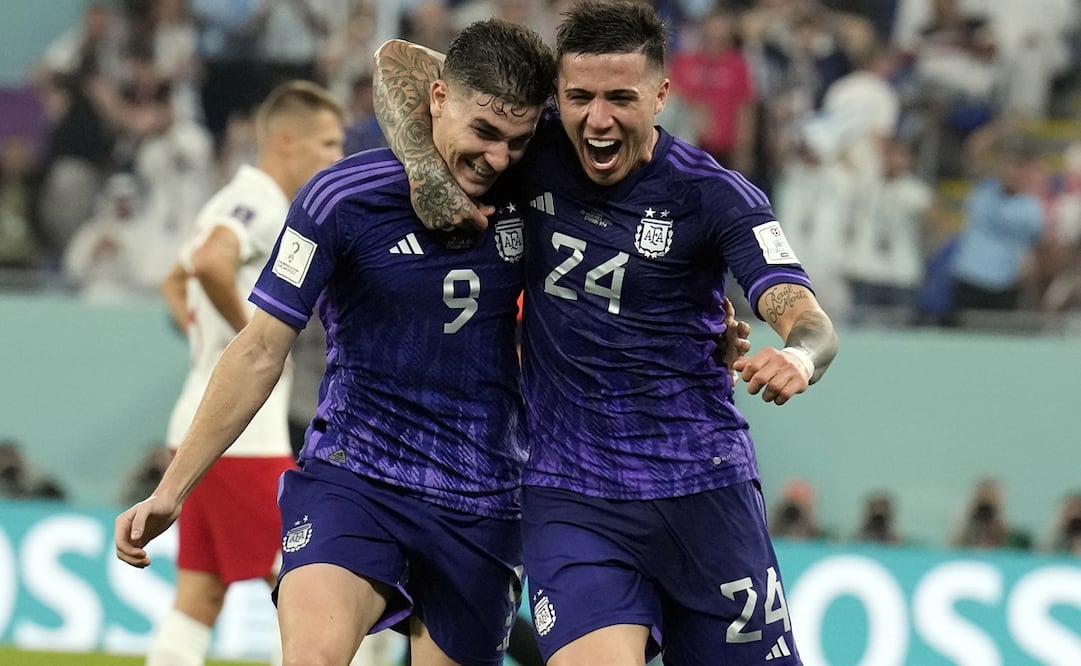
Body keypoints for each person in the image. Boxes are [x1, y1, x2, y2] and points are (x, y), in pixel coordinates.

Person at [374, 2, 838, 664]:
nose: (597, 119)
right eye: (578, 97)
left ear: (660, 94)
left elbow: (804, 315)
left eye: (620, 97)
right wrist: (430, 177)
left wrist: (798, 354)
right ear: (554, 97)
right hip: (571, 498)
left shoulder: (717, 197)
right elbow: (398, 65)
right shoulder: (530, 153)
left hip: (702, 493)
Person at [116, 20, 557, 666]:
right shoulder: (340, 198)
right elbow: (260, 349)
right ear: (436, 98)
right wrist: (171, 489)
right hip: (354, 479)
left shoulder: (534, 190)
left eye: (515, 143)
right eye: (484, 134)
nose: (496, 159)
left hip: (482, 499)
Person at [138, 79, 346, 666]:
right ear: (285, 139)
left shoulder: (230, 198)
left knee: (199, 600)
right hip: (242, 438)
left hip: (200, 429)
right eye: (328, 144)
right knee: (313, 585)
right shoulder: (260, 202)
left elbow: (176, 276)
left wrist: (203, 333)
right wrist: (254, 339)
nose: (336, 158)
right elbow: (208, 261)